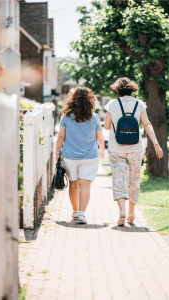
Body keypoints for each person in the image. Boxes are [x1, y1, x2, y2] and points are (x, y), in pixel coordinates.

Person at [104, 77, 163, 226]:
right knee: (134, 180)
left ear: (117, 90)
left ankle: (122, 212)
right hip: (136, 148)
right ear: (132, 89)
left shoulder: (112, 104)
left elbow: (106, 126)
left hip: (116, 148)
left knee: (119, 178)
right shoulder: (139, 104)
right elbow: (147, 124)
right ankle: (131, 213)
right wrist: (156, 144)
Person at [56, 87, 105, 224]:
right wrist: (102, 150)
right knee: (85, 186)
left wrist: (56, 153)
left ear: (73, 99)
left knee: (73, 184)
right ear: (90, 100)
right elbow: (100, 137)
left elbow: (61, 136)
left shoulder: (66, 115)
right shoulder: (94, 117)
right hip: (90, 156)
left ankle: (75, 211)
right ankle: (82, 214)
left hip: (69, 156)